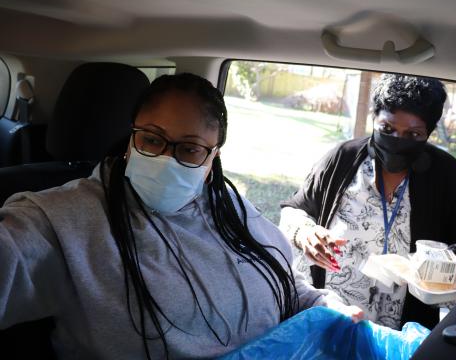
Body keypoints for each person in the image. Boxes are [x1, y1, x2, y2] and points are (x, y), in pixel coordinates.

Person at [0, 73, 362, 360]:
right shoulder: (62, 219)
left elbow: (286, 282)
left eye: (189, 149)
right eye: (152, 140)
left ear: (212, 158)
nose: (166, 159)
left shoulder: (229, 208)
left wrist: (326, 306)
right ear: (130, 139)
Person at [280, 74, 456, 330]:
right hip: (333, 315)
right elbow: (292, 211)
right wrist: (303, 232)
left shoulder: (447, 174)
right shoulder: (342, 159)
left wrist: (445, 263)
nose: (398, 139)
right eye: (387, 129)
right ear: (375, 119)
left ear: (428, 132)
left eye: (413, 134)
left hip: (401, 331)